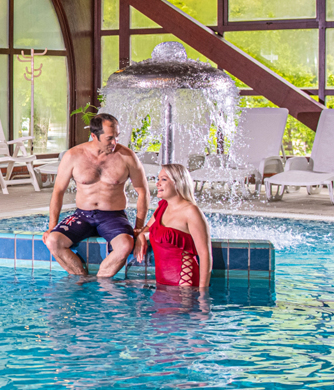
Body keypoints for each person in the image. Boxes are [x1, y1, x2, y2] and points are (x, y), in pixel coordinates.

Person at [43, 113, 149, 277]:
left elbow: (142, 191)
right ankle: (82, 279)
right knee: (53, 241)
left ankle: (100, 282)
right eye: (109, 138)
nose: (114, 142)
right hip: (82, 215)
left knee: (125, 245)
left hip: (113, 216)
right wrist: (52, 226)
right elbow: (58, 191)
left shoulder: (127, 157)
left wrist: (139, 227)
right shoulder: (73, 156)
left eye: (117, 137)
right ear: (94, 136)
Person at [135, 164, 212, 289]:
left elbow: (205, 255)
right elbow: (148, 228)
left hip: (184, 282)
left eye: (164, 179)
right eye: (158, 179)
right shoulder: (163, 207)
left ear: (178, 183)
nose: (157, 184)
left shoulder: (191, 212)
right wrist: (142, 236)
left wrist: (203, 292)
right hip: (161, 282)